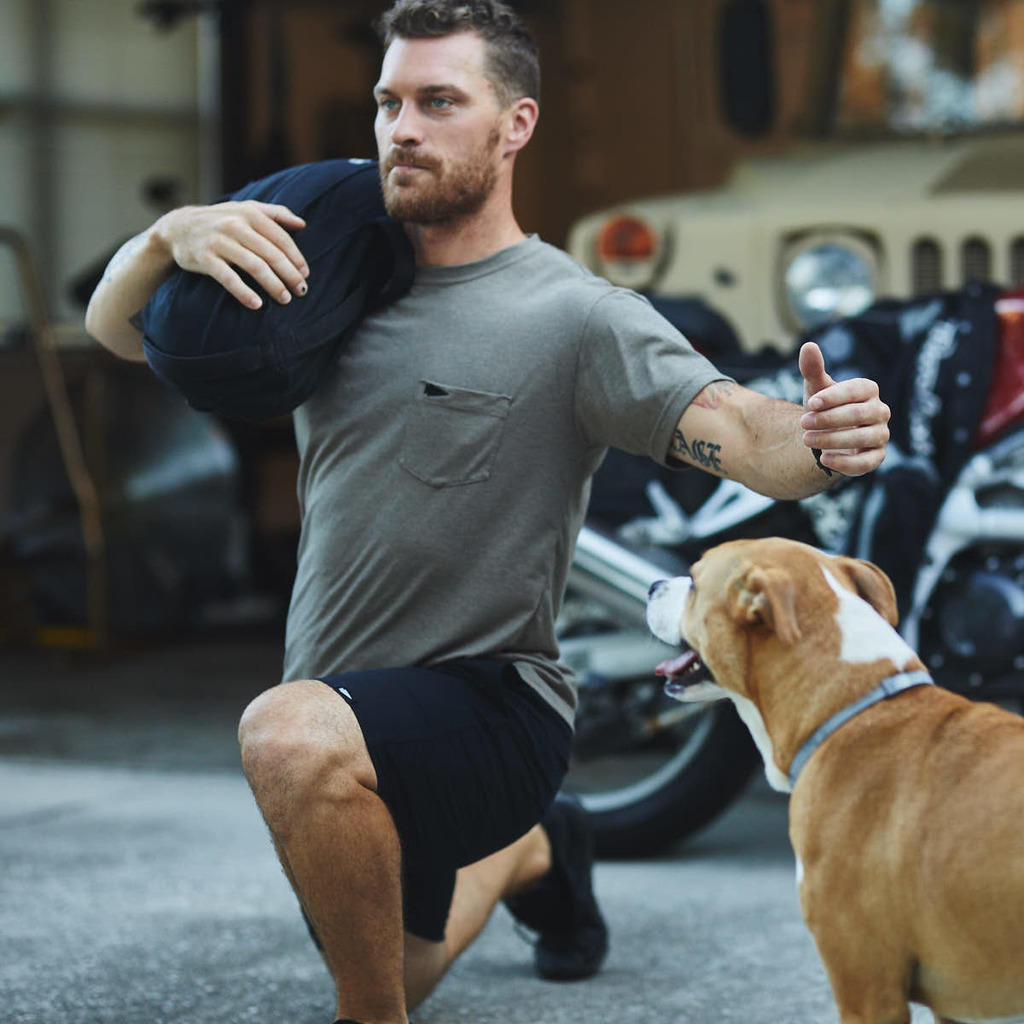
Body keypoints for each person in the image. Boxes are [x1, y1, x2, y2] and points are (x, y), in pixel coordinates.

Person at [84, 2, 891, 1022]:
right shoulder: (330, 279)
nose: (399, 128)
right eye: (387, 102)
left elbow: (737, 427)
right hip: (348, 708)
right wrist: (170, 237)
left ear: (515, 125)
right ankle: (535, 849)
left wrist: (820, 438)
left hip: (493, 702)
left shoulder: (575, 316)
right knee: (394, 948)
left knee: (287, 751)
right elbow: (116, 335)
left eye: (437, 101)